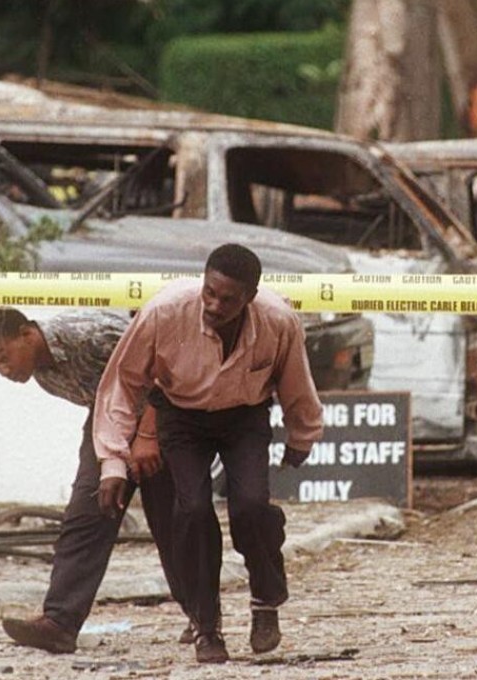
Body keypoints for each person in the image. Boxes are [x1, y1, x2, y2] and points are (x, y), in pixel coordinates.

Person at [93, 243, 323, 664]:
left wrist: (302, 436)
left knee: (253, 506)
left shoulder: (278, 320)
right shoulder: (164, 312)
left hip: (244, 417)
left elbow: (296, 380)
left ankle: (265, 602)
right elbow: (122, 385)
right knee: (193, 511)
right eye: (209, 292)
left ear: (250, 298)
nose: (215, 305)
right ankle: (206, 625)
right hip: (181, 418)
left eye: (228, 299)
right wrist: (112, 460)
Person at [0, 307, 188, 654]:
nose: (4, 370)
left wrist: (148, 435)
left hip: (164, 412)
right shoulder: (43, 376)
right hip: (110, 421)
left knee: (173, 520)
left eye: (3, 357)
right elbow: (103, 405)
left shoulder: (90, 335)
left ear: (28, 334)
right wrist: (112, 459)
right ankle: (59, 623)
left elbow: (168, 368)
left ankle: (204, 620)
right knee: (87, 512)